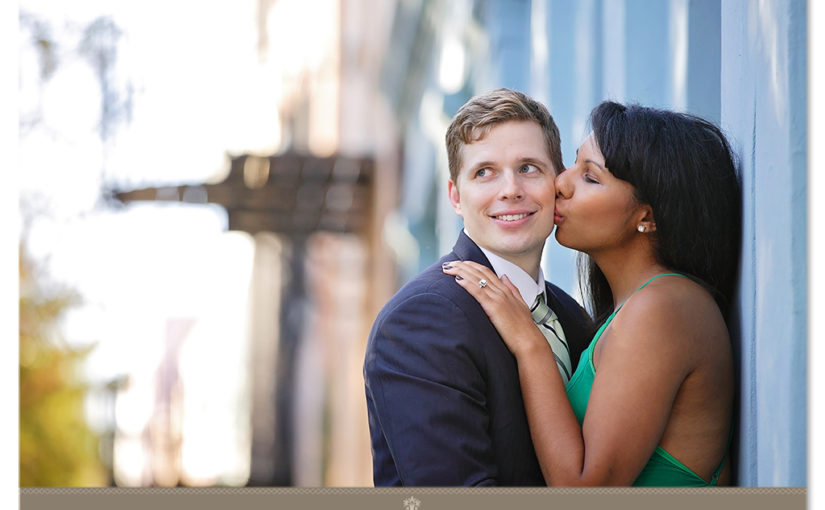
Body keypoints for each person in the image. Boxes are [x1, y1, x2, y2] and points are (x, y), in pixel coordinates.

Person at [442, 101, 741, 486]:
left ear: (646, 216)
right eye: (573, 167)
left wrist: (530, 345)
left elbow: (584, 489)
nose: (560, 184)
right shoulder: (629, 310)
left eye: (590, 177)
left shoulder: (664, 308)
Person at [363, 88, 592, 486]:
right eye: (484, 172)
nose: (510, 190)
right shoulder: (421, 320)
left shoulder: (572, 318)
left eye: (529, 168)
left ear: (557, 182)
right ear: (455, 196)